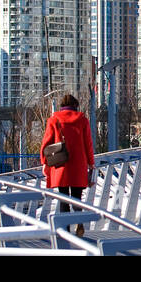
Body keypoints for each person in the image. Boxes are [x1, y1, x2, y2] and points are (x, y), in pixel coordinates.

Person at [40, 93, 95, 237]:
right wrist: (91, 163)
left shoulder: (54, 120)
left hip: (61, 165)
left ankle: (66, 231)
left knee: (64, 199)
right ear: (75, 106)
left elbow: (46, 143)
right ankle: (79, 222)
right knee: (77, 198)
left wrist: (44, 162)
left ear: (62, 106)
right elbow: (88, 143)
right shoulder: (83, 120)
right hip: (79, 164)